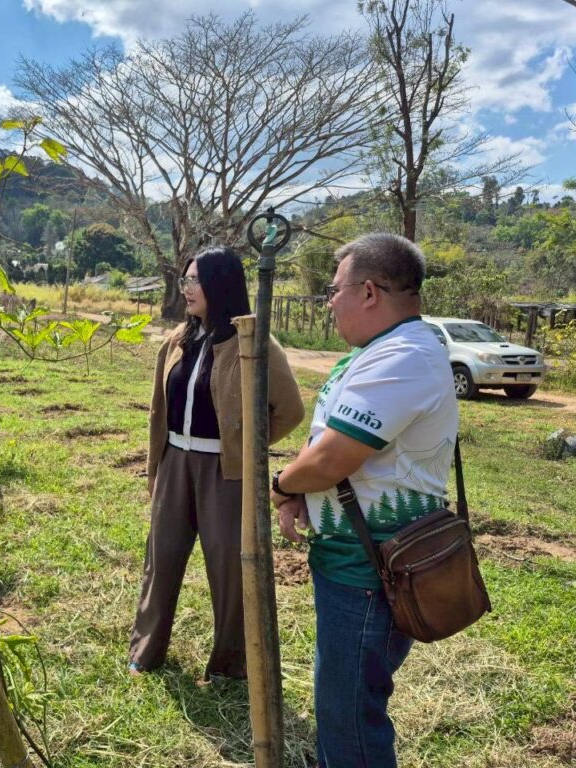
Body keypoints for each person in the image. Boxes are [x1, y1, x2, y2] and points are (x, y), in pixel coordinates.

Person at [271, 233, 459, 767]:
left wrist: (281, 486)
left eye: (334, 290)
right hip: (355, 562)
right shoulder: (377, 352)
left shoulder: (405, 357)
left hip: (372, 574)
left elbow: (335, 457)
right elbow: (326, 439)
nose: (329, 303)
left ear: (369, 291)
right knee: (343, 702)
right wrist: (302, 493)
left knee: (350, 716)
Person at [128, 246, 305, 681]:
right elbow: (158, 409)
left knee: (229, 568)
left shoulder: (255, 344)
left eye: (196, 280)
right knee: (161, 559)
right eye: (185, 279)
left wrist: (242, 445)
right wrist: (156, 468)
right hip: (174, 462)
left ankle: (230, 664)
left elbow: (290, 411)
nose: (187, 288)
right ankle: (145, 652)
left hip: (225, 472)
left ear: (220, 284)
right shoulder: (178, 339)